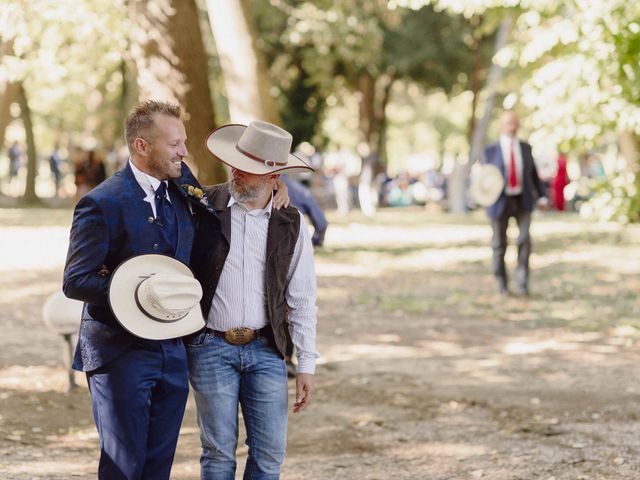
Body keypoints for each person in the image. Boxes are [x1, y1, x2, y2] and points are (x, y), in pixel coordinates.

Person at [62, 100, 220, 480]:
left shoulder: (184, 189)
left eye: (183, 142)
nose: (184, 151)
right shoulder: (101, 203)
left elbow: (222, 211)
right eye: (174, 144)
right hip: (119, 351)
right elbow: (75, 280)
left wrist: (276, 190)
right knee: (123, 466)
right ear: (142, 146)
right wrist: (136, 290)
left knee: (157, 466)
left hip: (172, 348)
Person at [187, 120, 318, 480]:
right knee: (216, 454)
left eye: (250, 170)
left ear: (275, 178)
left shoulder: (291, 222)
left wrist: (306, 363)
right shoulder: (203, 205)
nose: (237, 174)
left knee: (269, 455)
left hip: (267, 349)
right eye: (236, 164)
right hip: (210, 345)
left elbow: (302, 298)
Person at [481, 111, 547, 296]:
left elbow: (533, 174)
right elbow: (483, 178)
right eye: (509, 122)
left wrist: (542, 196)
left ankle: (522, 283)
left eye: (515, 122)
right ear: (502, 125)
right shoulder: (490, 150)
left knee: (524, 240)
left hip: (522, 199)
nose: (513, 125)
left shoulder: (526, 148)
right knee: (499, 244)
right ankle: (502, 283)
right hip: (499, 202)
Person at [281, 173, 328, 247]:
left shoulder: (260, 187)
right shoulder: (299, 189)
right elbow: (322, 223)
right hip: (294, 240)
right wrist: (314, 242)